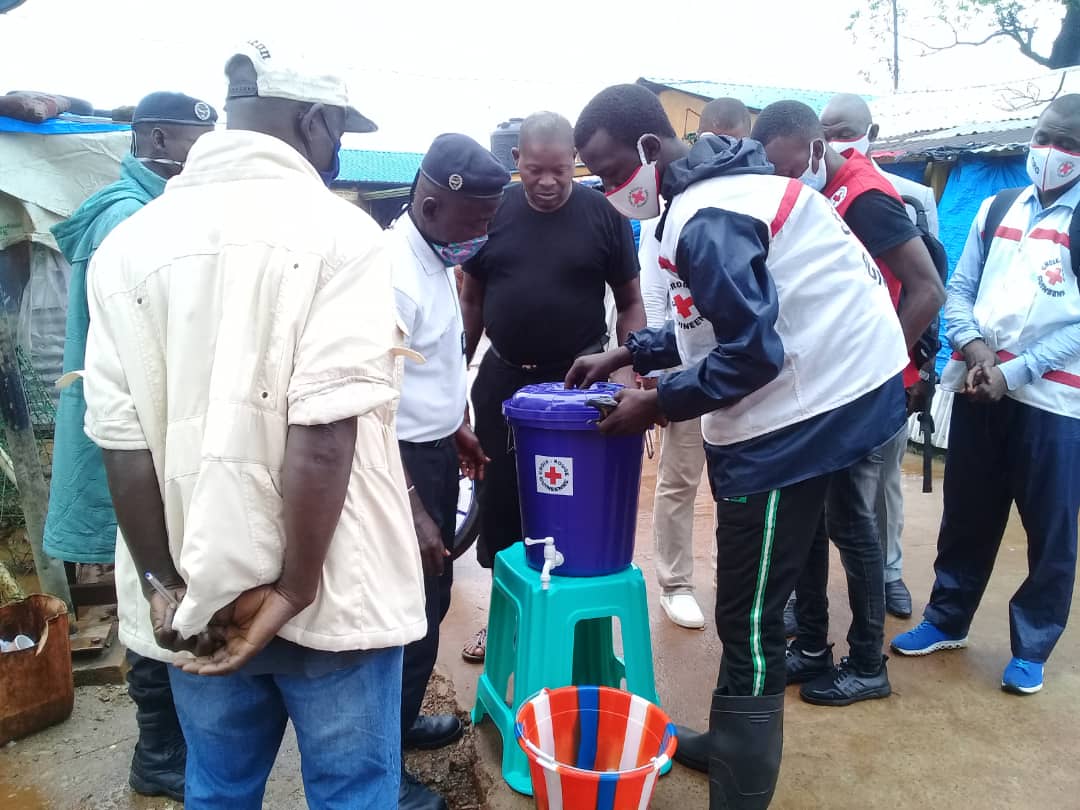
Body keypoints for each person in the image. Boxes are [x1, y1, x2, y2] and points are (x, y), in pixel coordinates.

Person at [81, 41, 426, 809]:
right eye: (338, 132)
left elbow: (121, 438)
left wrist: (163, 584)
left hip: (199, 587)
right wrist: (293, 588)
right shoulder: (343, 236)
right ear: (313, 121)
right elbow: (324, 436)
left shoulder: (128, 245)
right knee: (352, 794)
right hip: (331, 589)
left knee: (219, 787)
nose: (336, 151)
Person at [569, 83, 908, 810]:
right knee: (753, 594)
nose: (609, 188)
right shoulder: (712, 196)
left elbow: (751, 353)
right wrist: (631, 353)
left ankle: (741, 788)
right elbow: (706, 321)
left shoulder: (710, 215)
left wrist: (656, 402)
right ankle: (731, 740)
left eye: (610, 171)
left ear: (650, 147)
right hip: (821, 388)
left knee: (750, 614)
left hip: (808, 410)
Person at [45, 90, 217, 802]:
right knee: (148, 586)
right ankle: (158, 751)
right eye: (193, 140)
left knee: (146, 583)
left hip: (127, 422)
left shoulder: (143, 207)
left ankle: (166, 745)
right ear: (157, 139)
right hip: (128, 431)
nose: (204, 154)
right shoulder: (130, 218)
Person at [752, 101, 944, 706]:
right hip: (821, 389)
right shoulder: (819, 193)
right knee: (811, 520)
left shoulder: (864, 196)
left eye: (790, 169)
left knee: (851, 523)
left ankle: (867, 663)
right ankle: (812, 645)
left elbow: (928, 289)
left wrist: (877, 369)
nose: (785, 183)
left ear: (816, 149)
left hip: (857, 392)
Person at [891, 96, 1080, 696]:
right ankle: (947, 620)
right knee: (967, 514)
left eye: (1069, 145)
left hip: (1055, 406)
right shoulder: (998, 207)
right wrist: (975, 352)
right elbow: (959, 288)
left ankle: (1033, 646)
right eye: (1046, 137)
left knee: (1050, 530)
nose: (1051, 152)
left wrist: (1015, 372)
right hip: (981, 387)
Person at [459, 111, 644, 662]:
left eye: (559, 170)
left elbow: (630, 302)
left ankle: (579, 630)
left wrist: (627, 373)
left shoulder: (603, 215)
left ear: (574, 162)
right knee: (500, 503)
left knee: (573, 503)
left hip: (577, 390)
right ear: (516, 161)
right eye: (535, 169)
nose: (546, 181)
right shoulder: (493, 212)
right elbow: (471, 299)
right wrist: (453, 377)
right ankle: (505, 623)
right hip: (503, 383)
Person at [389, 133, 508, 810]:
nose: (482, 236)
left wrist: (454, 425)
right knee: (406, 615)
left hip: (430, 451)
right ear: (432, 205)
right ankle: (379, 769)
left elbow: (427, 368)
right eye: (477, 221)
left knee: (430, 605)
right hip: (398, 466)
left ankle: (400, 726)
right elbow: (369, 406)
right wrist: (412, 506)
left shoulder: (432, 257)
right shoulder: (394, 276)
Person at [821, 92, 941, 618]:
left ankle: (890, 574)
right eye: (827, 132)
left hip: (892, 366)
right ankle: (814, 590)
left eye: (845, 131)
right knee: (826, 486)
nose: (836, 142)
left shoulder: (907, 195)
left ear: (872, 132)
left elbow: (930, 282)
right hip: (832, 369)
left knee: (883, 480)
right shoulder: (814, 190)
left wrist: (920, 364)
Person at [641, 96, 752, 630]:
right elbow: (655, 295)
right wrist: (658, 372)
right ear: (699, 138)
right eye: (718, 141)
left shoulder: (746, 199)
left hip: (744, 367)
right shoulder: (667, 209)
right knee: (680, 478)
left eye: (738, 143)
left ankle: (735, 582)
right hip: (686, 362)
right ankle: (675, 583)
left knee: (740, 481)